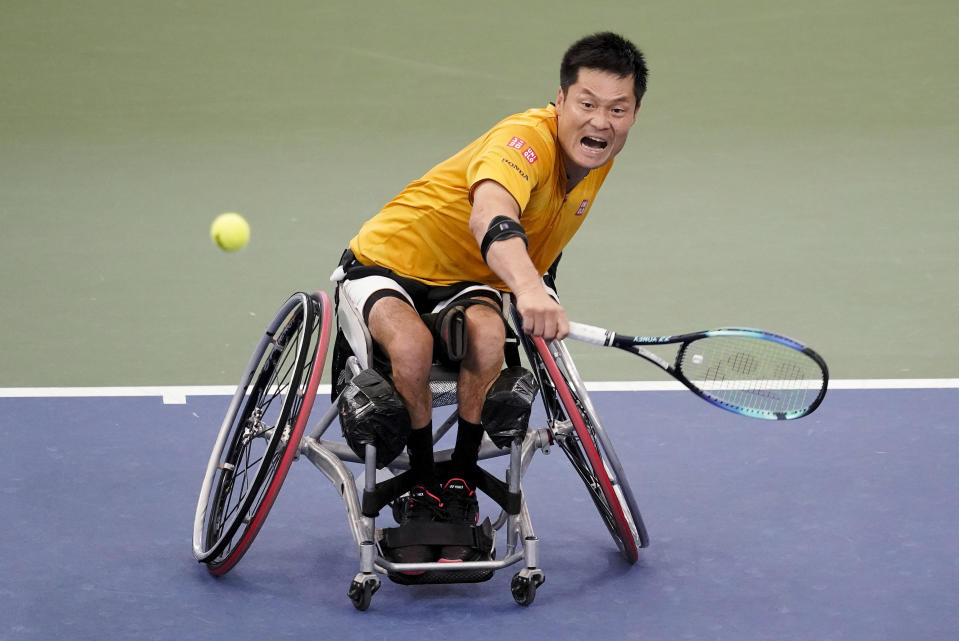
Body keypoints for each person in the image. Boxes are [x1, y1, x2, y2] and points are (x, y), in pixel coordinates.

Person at [334, 32, 648, 566]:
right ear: (561, 100)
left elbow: (543, 233)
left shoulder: (596, 158)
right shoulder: (524, 141)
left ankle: (458, 478)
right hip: (388, 262)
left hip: (463, 278)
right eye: (587, 104)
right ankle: (419, 481)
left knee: (486, 336)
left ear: (634, 113)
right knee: (408, 346)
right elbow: (491, 214)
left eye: (618, 109)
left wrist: (539, 284)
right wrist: (525, 288)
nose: (601, 122)